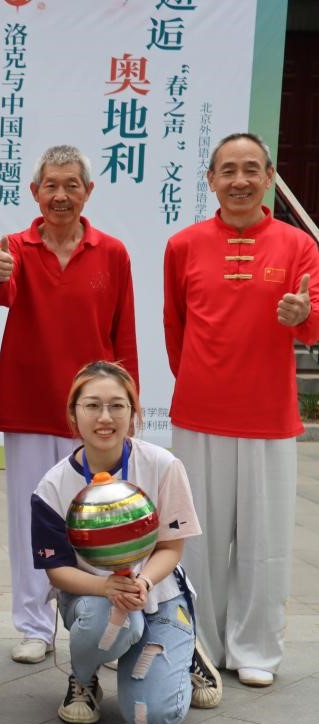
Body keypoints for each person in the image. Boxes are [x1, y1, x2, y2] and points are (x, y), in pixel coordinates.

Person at [164, 133, 319, 688]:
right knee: (196, 539)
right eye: (228, 170)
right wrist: (202, 379)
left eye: (252, 169)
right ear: (211, 180)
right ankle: (198, 641)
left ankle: (256, 647)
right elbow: (175, 326)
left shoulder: (298, 246)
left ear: (269, 178)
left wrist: (301, 316)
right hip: (199, 414)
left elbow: (314, 323)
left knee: (264, 540)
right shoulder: (183, 246)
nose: (240, 180)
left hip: (269, 417)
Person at [0, 145, 139, 666]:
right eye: (51, 185)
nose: (61, 195)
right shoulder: (15, 247)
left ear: (88, 191)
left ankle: (104, 625)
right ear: (35, 192)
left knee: (102, 518)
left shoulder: (112, 252)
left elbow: (123, 332)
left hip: (94, 411)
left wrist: (127, 403)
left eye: (72, 185)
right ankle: (34, 626)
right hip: (29, 404)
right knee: (34, 518)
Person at [31, 361, 208, 724]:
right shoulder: (52, 486)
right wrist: (106, 587)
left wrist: (142, 581)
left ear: (133, 412)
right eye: (92, 405)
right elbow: (57, 570)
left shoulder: (162, 465)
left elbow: (170, 548)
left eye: (117, 406)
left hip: (156, 593)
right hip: (91, 598)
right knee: (110, 621)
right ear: (73, 414)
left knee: (151, 719)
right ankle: (84, 678)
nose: (105, 417)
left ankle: (184, 649)